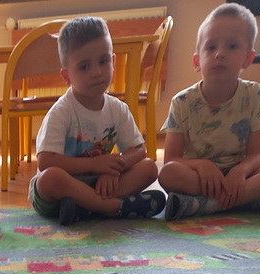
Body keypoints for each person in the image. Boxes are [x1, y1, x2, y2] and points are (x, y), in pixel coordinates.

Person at [159, 2, 260, 221]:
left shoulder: (256, 95)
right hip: (200, 178)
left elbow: (257, 154)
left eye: (232, 46)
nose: (220, 54)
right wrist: (201, 165)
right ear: (197, 61)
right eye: (211, 47)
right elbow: (171, 159)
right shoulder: (181, 102)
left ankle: (209, 205)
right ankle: (255, 200)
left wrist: (241, 171)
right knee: (168, 174)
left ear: (248, 58)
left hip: (242, 176)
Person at [29, 16, 164, 226]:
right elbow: (46, 161)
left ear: (113, 61)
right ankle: (112, 207)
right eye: (84, 67)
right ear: (66, 76)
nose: (97, 72)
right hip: (63, 192)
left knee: (149, 168)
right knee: (49, 178)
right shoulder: (62, 112)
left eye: (103, 61)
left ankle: (85, 209)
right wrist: (94, 164)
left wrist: (115, 168)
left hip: (100, 185)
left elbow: (139, 150)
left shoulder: (118, 109)